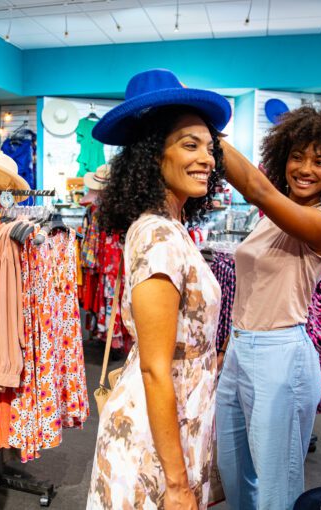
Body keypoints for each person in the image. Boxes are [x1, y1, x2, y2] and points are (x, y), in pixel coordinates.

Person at [216, 105, 321, 510]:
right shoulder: (267, 217)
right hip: (239, 349)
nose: (305, 169)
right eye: (297, 156)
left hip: (280, 355)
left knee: (276, 488)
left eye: (320, 162)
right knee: (232, 474)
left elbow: (257, 187)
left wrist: (198, 123)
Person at [85, 69, 231, 510]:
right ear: (152, 155)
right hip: (155, 436)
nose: (206, 158)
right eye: (190, 145)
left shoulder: (172, 227)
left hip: (177, 421)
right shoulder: (158, 237)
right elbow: (154, 368)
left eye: (210, 147)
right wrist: (177, 483)